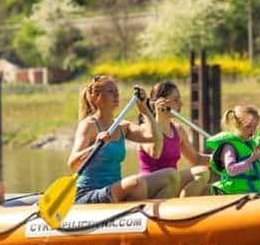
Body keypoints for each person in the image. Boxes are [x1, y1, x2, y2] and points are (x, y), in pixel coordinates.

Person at [67, 75, 174, 203]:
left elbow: (154, 137)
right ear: (96, 98)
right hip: (89, 192)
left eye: (117, 91)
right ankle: (138, 212)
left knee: (170, 176)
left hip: (112, 190)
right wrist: (95, 146)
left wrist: (145, 109)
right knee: (136, 183)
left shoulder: (123, 126)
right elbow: (72, 164)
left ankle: (154, 217)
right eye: (110, 91)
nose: (116, 95)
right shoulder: (89, 125)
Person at [137, 81, 211, 197]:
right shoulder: (145, 128)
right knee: (202, 172)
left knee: (209, 189)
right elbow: (154, 152)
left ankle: (185, 208)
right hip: (150, 187)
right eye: (176, 100)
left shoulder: (178, 130)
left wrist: (222, 158)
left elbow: (196, 159)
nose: (181, 104)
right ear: (161, 103)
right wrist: (159, 119)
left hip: (173, 182)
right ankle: (182, 209)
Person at [205, 105, 260, 195]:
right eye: (248, 127)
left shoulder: (249, 145)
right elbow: (231, 170)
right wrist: (250, 160)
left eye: (255, 127)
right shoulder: (229, 147)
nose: (253, 131)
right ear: (237, 125)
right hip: (235, 193)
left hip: (251, 192)